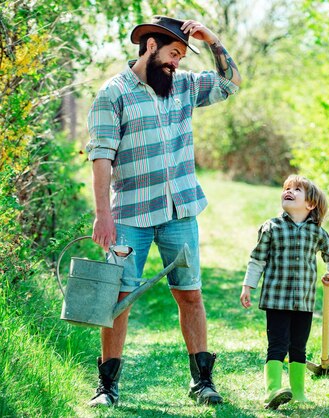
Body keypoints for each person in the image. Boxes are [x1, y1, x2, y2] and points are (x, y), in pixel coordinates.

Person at [85, 15, 241, 407]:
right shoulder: (113, 93)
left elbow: (231, 83)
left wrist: (212, 39)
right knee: (118, 297)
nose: (177, 63)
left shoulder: (184, 86)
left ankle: (203, 381)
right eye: (173, 54)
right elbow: (101, 156)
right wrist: (103, 214)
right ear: (150, 47)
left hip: (180, 211)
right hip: (130, 215)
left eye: (182, 56)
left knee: (190, 295)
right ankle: (107, 385)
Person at [239, 175, 329, 410]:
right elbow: (257, 260)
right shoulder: (272, 227)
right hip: (276, 299)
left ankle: (298, 393)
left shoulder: (317, 232)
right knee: (277, 344)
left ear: (311, 204)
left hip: (304, 302)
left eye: (297, 189)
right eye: (287, 188)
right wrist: (248, 286)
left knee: (299, 346)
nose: (289, 191)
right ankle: (272, 391)